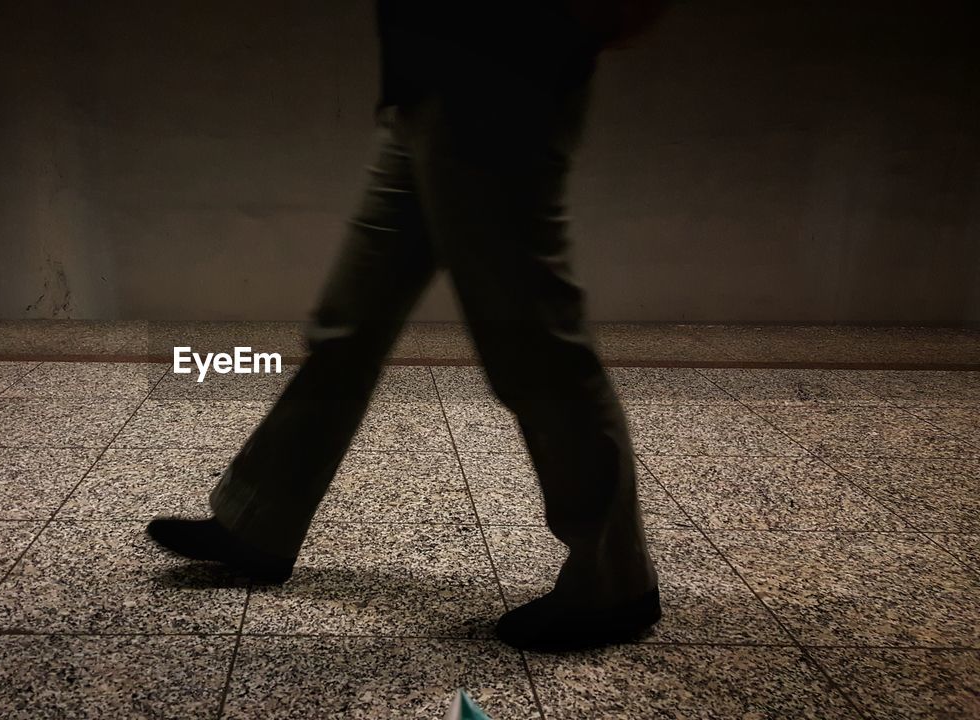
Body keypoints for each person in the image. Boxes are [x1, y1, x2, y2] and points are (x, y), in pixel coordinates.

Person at [147, 0, 671, 651]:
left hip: (502, 78)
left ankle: (614, 583)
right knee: (348, 327)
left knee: (533, 341)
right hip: (422, 84)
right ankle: (258, 522)